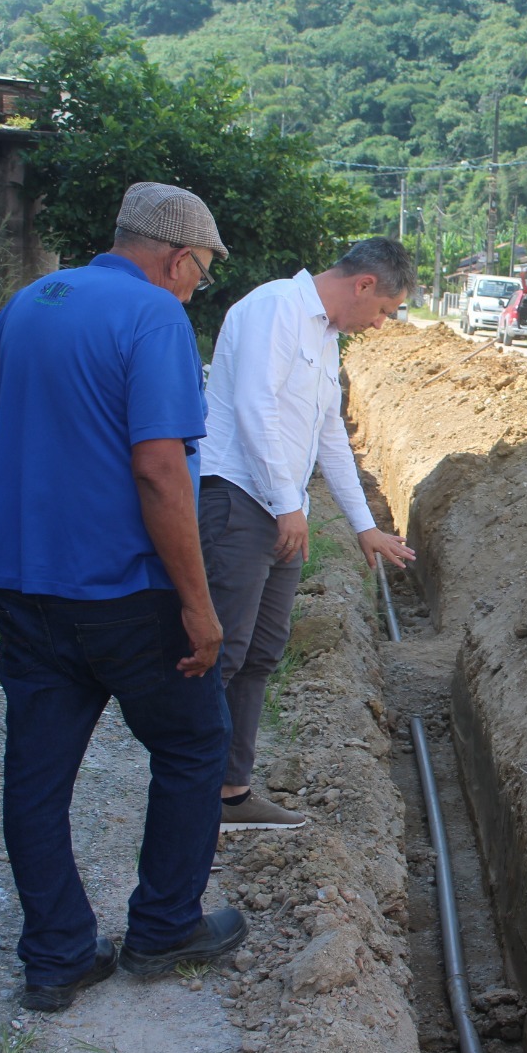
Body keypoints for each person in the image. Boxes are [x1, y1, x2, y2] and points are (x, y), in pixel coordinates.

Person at [0, 182, 248, 1012]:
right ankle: (165, 926)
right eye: (200, 272)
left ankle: (58, 954)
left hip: (27, 591)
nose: (195, 286)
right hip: (128, 597)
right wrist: (199, 607)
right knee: (192, 746)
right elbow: (159, 469)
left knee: (36, 775)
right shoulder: (155, 318)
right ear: (177, 258)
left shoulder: (34, 301)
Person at [199, 237, 417, 831]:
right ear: (364, 285)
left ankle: (230, 794)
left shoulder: (324, 338)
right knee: (223, 651)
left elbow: (330, 438)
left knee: (262, 650)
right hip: (239, 500)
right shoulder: (275, 309)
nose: (377, 325)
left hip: (278, 508)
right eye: (383, 311)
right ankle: (186, 795)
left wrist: (365, 526)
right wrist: (285, 501)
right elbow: (253, 408)